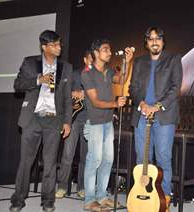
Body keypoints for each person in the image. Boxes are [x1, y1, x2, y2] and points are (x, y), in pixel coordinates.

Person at [10, 30, 72, 212]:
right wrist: (38, 79)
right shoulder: (30, 62)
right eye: (55, 45)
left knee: (50, 163)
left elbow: (67, 98)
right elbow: (18, 85)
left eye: (59, 44)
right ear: (44, 47)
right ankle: (18, 200)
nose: (59, 47)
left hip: (54, 120)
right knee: (25, 162)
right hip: (32, 119)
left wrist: (67, 121)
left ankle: (47, 201)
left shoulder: (66, 67)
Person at [129, 26, 183, 211]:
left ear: (163, 41)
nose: (154, 41)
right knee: (142, 160)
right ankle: (142, 199)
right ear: (146, 42)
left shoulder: (173, 59)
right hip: (142, 114)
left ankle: (164, 199)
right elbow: (133, 88)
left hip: (164, 115)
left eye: (158, 38)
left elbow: (175, 87)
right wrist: (142, 103)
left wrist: (156, 106)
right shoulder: (139, 61)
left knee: (163, 158)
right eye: (151, 38)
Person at [81, 39, 134, 211]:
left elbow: (122, 79)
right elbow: (95, 102)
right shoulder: (87, 73)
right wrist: (115, 104)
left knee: (107, 160)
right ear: (96, 53)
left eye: (110, 50)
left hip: (107, 122)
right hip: (94, 122)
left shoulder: (109, 71)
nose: (109, 53)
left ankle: (102, 197)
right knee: (94, 159)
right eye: (105, 50)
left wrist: (128, 61)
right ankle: (89, 200)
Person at [55, 51, 92, 200]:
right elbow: (62, 91)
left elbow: (103, 95)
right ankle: (62, 186)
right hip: (74, 119)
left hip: (90, 120)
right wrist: (73, 93)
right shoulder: (75, 74)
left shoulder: (98, 75)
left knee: (86, 157)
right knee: (67, 155)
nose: (93, 62)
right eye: (90, 59)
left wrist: (86, 94)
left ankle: (82, 188)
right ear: (84, 59)